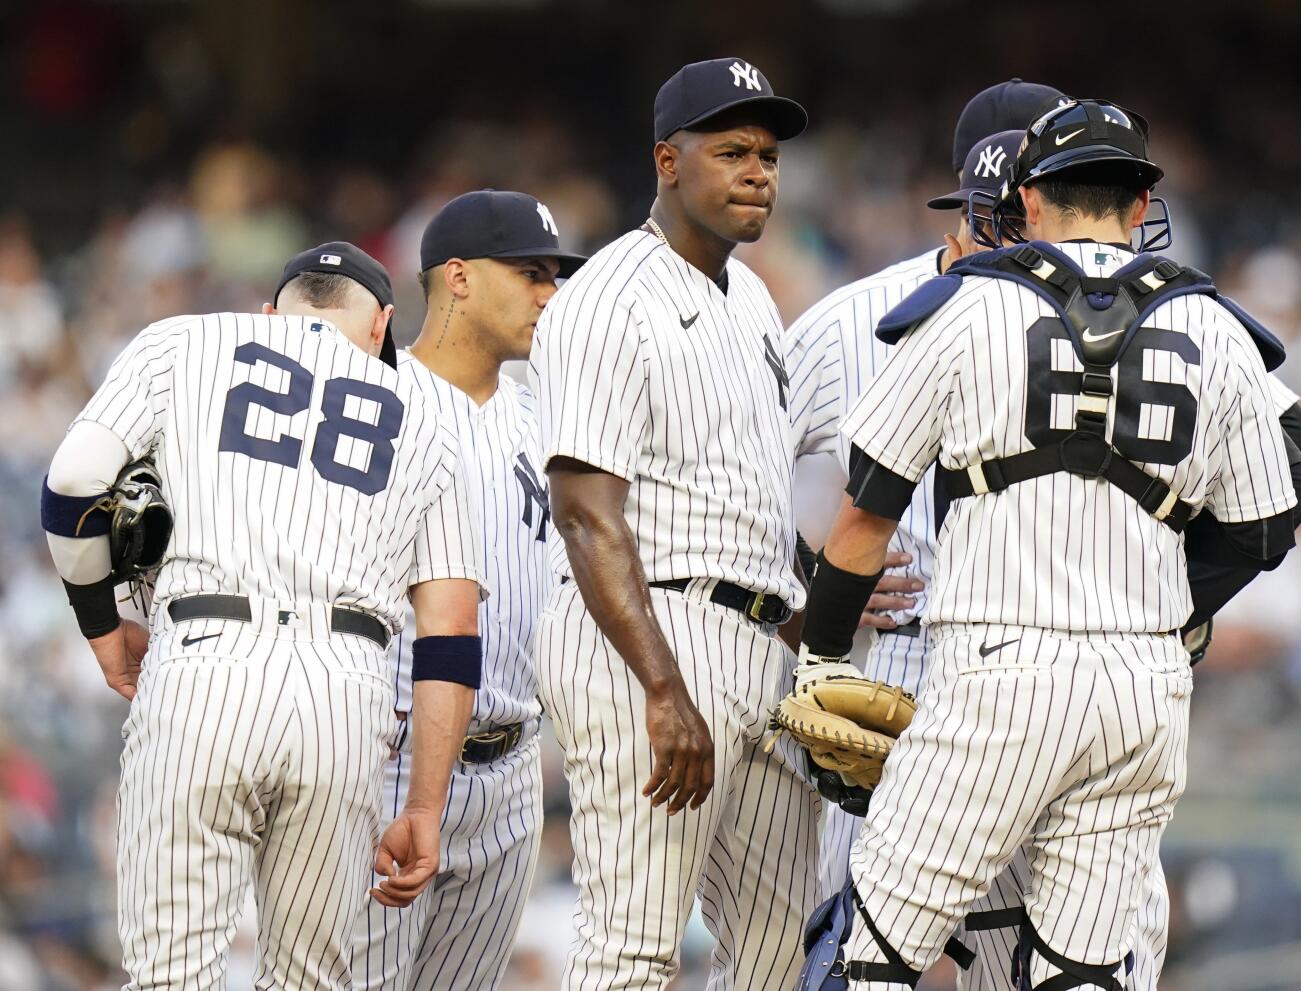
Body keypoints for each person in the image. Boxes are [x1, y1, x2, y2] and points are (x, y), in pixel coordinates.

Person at [793, 100, 1301, 988]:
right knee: (1080, 975)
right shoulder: (1213, 322)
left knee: (864, 957)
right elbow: (1271, 519)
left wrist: (820, 654)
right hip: (1143, 697)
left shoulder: (969, 306)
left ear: (1029, 199)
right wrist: (1167, 605)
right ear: (1141, 197)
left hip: (1001, 676)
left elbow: (864, 516)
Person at [40, 243, 483, 990]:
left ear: (272, 312)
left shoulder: (184, 341)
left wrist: (104, 628)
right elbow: (450, 632)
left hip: (205, 661)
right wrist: (426, 805)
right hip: (346, 689)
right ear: (381, 326)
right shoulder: (433, 420)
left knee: (171, 973)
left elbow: (72, 485)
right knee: (310, 979)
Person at [529, 57, 819, 990]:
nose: (756, 172)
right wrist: (661, 685)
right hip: (655, 632)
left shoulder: (757, 300)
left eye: (767, 155)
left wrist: (821, 645)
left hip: (760, 640)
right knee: (635, 947)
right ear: (667, 159)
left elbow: (756, 502)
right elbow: (584, 512)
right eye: (730, 150)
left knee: (780, 951)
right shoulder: (609, 296)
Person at [350, 192, 585, 990]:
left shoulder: (547, 417)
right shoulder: (375, 405)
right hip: (388, 762)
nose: (548, 294)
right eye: (529, 273)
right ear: (456, 277)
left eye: (553, 276)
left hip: (513, 768)